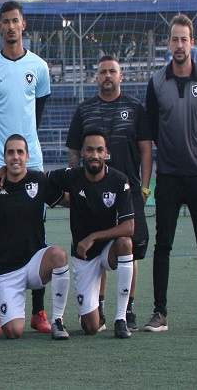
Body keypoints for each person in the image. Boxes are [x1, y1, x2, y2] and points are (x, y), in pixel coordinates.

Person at [144, 14, 197, 332]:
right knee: (162, 245)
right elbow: (150, 130)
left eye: (184, 39)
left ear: (193, 43)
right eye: (174, 39)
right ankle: (160, 313)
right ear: (169, 44)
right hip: (167, 177)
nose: (179, 45)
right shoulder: (156, 83)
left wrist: (195, 149)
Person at [0, 1, 53, 333]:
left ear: (24, 26)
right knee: (1, 233)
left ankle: (39, 311)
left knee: (36, 231)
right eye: (5, 21)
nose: (10, 27)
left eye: (15, 21)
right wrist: (0, 158)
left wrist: (23, 153)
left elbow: (37, 113)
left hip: (30, 159)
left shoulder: (39, 67)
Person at [66, 55, 153, 331]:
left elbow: (146, 149)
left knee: (129, 246)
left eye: (112, 72)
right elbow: (73, 152)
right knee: (97, 249)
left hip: (127, 190)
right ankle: (99, 305)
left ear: (121, 76)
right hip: (93, 191)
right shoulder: (84, 110)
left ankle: (128, 309)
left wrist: (146, 185)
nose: (107, 76)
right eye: (102, 72)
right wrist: (75, 183)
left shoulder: (135, 108)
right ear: (96, 77)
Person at [0, 135, 70, 340]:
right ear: (4, 157)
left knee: (58, 255)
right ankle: (3, 315)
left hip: (35, 265)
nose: (16, 157)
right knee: (13, 332)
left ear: (28, 156)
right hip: (7, 271)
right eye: (11, 152)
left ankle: (57, 320)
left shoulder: (39, 180)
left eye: (20, 152)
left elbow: (64, 200)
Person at [48, 131, 136, 339]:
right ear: (82, 154)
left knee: (125, 243)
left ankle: (121, 318)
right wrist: (62, 199)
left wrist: (94, 237)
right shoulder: (72, 176)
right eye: (89, 150)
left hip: (107, 249)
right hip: (84, 256)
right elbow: (43, 180)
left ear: (106, 154)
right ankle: (93, 311)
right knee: (91, 328)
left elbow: (129, 227)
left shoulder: (118, 180)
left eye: (99, 150)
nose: (94, 154)